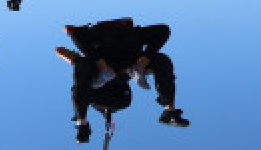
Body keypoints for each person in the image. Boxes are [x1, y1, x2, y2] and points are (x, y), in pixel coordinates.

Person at [55, 18, 189, 143]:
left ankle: (168, 110)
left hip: (119, 85)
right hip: (112, 85)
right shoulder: (105, 36)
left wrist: (142, 62)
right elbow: (164, 30)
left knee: (81, 64)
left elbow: (163, 30)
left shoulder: (126, 36)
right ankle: (82, 122)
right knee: (82, 64)